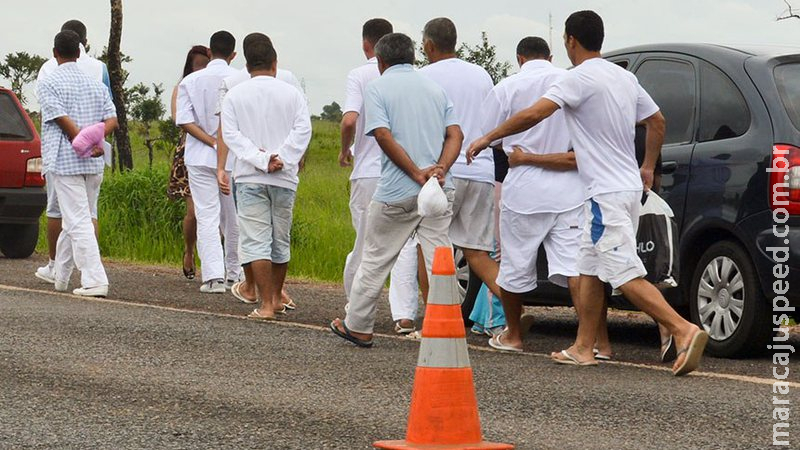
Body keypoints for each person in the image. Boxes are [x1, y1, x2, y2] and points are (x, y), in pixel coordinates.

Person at [467, 10, 708, 376]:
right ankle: (583, 347)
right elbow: (656, 121)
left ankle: (683, 329)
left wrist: (488, 137)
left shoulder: (577, 79)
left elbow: (535, 115)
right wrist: (646, 166)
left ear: (570, 41)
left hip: (604, 194)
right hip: (623, 187)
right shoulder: (624, 77)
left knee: (624, 272)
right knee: (588, 268)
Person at [330, 32, 463, 347]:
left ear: (380, 61)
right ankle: (448, 328)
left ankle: (359, 325)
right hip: (439, 188)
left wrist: (416, 173)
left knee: (376, 258)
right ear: (413, 57)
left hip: (398, 190)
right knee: (440, 258)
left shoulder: (377, 88)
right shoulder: (434, 88)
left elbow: (382, 134)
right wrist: (440, 169)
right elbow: (455, 134)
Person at [477, 37, 584, 353]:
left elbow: (490, 136)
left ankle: (513, 335)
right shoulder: (571, 81)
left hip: (524, 184)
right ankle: (586, 340)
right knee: (574, 267)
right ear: (550, 57)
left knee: (515, 263)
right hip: (568, 184)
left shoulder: (507, 88)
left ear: (519, 58)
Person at [221, 34, 311, 320]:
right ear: (275, 63)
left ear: (247, 66)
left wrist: (261, 159)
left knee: (255, 239)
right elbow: (303, 130)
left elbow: (231, 135)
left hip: (250, 176)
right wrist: (281, 157)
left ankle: (266, 305)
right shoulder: (292, 93)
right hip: (284, 177)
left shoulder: (235, 94)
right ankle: (276, 297)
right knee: (279, 239)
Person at [339, 18, 420, 334]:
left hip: (370, 171)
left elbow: (348, 120)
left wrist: (345, 150)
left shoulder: (360, 75)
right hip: (407, 171)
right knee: (404, 246)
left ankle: (354, 310)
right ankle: (404, 315)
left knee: (365, 246)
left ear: (366, 44)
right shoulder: (415, 77)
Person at [418, 18, 500, 304]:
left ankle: (434, 317)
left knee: (429, 245)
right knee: (477, 252)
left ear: (428, 44)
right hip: (481, 170)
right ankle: (511, 315)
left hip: (444, 171)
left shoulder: (425, 75)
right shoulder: (481, 74)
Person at [35, 30, 117, 297]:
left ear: (55, 52)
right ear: (80, 52)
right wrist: (95, 141)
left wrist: (81, 141)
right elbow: (112, 120)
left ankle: (95, 279)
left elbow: (60, 119)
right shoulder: (96, 84)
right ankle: (61, 275)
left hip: (66, 160)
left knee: (78, 221)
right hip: (94, 163)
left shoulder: (50, 82)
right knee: (75, 220)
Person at [176, 30, 241, 293]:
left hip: (199, 157)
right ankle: (235, 274)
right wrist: (223, 144)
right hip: (234, 159)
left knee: (206, 215)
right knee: (233, 217)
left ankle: (213, 277)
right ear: (234, 55)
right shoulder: (240, 80)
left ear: (210, 52)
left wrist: (211, 142)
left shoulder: (190, 81)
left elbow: (184, 121)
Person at [168, 45, 210, 280]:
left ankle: (215, 261)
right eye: (198, 65)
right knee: (194, 212)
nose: (202, 69)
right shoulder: (182, 88)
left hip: (218, 151)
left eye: (206, 64)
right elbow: (178, 118)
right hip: (190, 152)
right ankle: (189, 250)